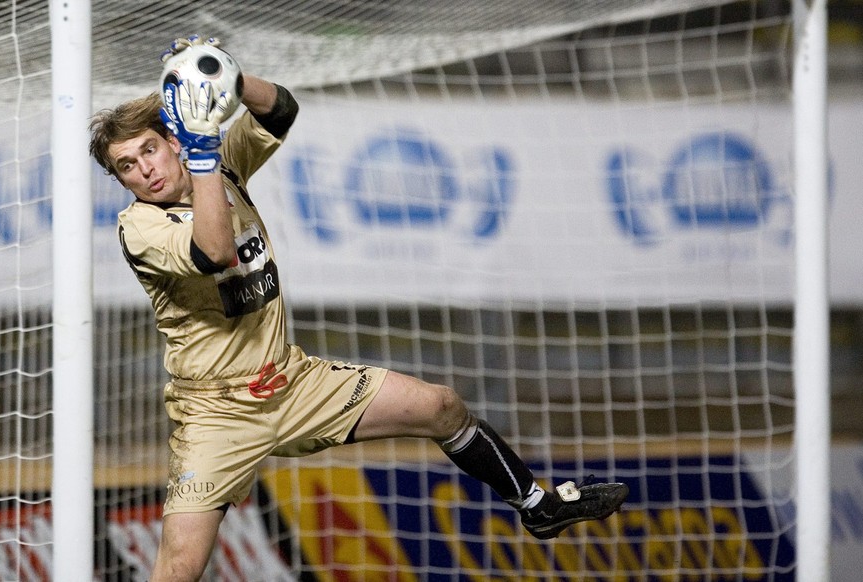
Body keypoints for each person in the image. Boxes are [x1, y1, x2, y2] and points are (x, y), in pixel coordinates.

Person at [88, 35, 629, 582]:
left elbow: (281, 111)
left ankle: (537, 506)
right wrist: (202, 154)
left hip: (292, 383)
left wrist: (227, 76)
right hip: (215, 414)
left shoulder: (220, 166)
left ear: (171, 142)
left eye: (149, 150)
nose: (145, 170)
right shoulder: (141, 227)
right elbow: (216, 249)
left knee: (440, 405)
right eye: (127, 166)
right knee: (179, 567)